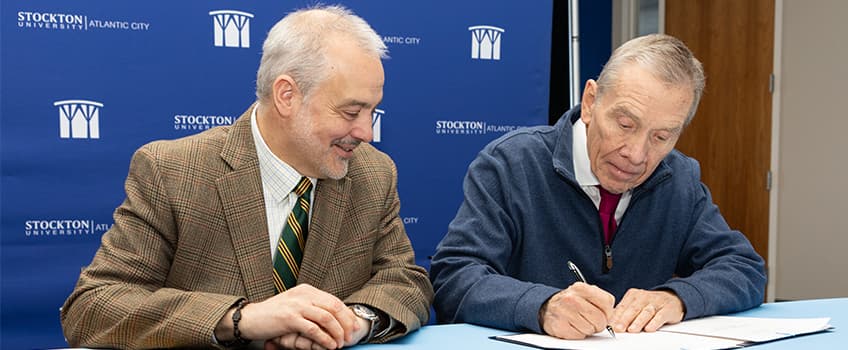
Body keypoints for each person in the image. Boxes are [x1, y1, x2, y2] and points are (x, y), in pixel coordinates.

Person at [61, 5, 433, 349]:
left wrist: (353, 321)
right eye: (351, 111)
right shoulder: (171, 171)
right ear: (287, 95)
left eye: (372, 111)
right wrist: (239, 319)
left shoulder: (373, 172)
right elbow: (93, 306)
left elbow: (405, 280)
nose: (367, 132)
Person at [429, 34, 766, 340]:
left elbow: (744, 268)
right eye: (624, 124)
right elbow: (454, 277)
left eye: (661, 137)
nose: (636, 154)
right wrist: (541, 306)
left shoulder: (678, 178)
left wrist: (677, 298)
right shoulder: (511, 164)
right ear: (590, 101)